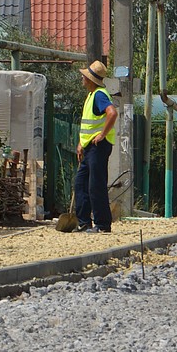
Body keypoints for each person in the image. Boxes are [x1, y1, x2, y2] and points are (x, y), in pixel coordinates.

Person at [72, 60, 117, 234]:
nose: (82, 78)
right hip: (89, 146)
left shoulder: (99, 95)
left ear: (91, 79)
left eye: (85, 76)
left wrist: (102, 135)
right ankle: (84, 222)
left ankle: (103, 224)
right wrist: (81, 144)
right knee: (81, 183)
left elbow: (112, 113)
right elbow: (89, 125)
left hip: (98, 146)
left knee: (95, 185)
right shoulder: (91, 95)